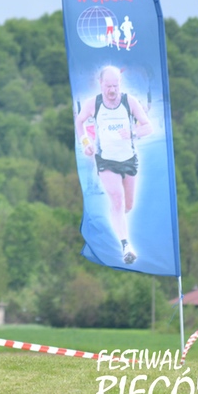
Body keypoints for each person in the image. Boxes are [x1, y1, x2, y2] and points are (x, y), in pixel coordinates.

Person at [74, 65, 152, 265]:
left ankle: (116, 218)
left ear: (120, 83)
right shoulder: (93, 104)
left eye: (115, 86)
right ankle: (126, 246)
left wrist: (132, 133)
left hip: (128, 158)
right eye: (108, 86)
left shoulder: (129, 101)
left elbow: (148, 127)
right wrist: (85, 142)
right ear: (100, 83)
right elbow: (79, 121)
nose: (112, 90)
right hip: (106, 160)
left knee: (128, 205)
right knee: (117, 199)